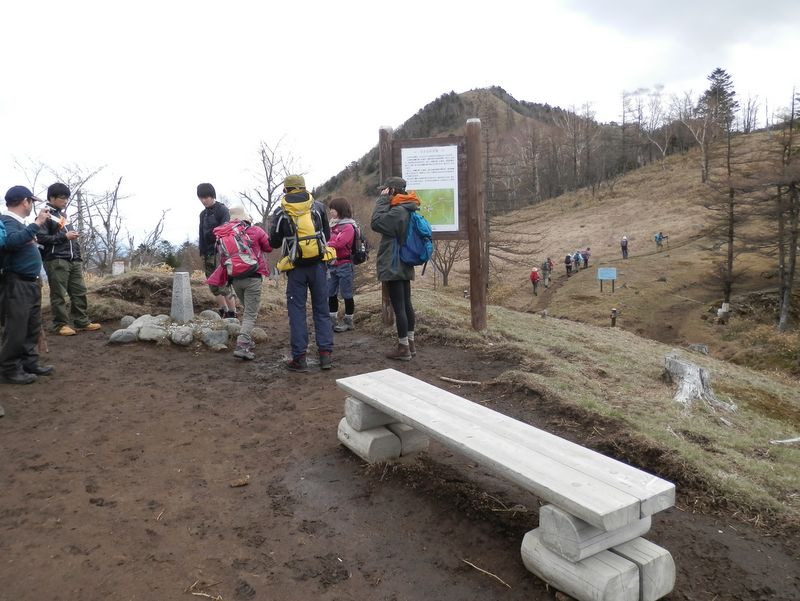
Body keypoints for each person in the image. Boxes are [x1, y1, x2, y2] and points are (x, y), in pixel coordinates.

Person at [269, 175, 333, 371]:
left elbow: (274, 242)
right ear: (304, 188)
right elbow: (327, 236)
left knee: (297, 311)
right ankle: (325, 356)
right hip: (319, 266)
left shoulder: (281, 211)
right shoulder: (319, 207)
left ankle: (300, 358)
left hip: (295, 267)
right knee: (321, 309)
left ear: (286, 190)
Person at [0, 186, 54, 385]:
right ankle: (9, 369)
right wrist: (37, 223)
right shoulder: (7, 221)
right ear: (25, 201)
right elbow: (11, 242)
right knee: (16, 328)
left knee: (31, 326)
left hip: (30, 283)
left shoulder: (20, 223)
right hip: (17, 283)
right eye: (31, 201)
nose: (32, 205)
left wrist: (33, 226)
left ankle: (29, 363)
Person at [36, 183, 101, 336]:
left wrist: (77, 254)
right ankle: (60, 325)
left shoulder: (64, 216)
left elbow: (68, 238)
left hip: (73, 260)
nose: (65, 201)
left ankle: (81, 321)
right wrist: (64, 236)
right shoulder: (45, 214)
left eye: (67, 198)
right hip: (56, 259)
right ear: (52, 198)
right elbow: (41, 237)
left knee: (79, 291)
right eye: (62, 198)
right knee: (58, 293)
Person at [208, 206, 271, 361]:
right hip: (253, 277)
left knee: (247, 310)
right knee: (250, 314)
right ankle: (242, 345)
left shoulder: (224, 234)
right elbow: (269, 247)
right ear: (245, 218)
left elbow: (223, 258)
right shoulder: (255, 231)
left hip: (235, 279)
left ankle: (247, 340)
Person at [371, 176, 419, 361]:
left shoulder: (398, 211)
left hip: (394, 262)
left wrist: (383, 200)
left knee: (400, 305)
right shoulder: (407, 207)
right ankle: (410, 343)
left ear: (391, 191)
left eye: (386, 191)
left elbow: (376, 222)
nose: (383, 193)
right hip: (402, 261)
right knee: (405, 304)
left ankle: (403, 347)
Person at [197, 183, 237, 318]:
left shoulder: (222, 210)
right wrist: (202, 251)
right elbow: (201, 234)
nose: (203, 200)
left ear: (212, 195)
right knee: (213, 284)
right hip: (207, 252)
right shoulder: (202, 214)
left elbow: (225, 231)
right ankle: (223, 310)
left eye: (206, 197)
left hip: (221, 252)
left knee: (223, 284)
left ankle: (233, 313)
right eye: (201, 198)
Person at [327, 197, 357, 333]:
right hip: (332, 264)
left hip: (345, 264)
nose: (331, 212)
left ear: (340, 210)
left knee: (346, 293)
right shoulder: (332, 225)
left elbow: (339, 243)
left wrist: (325, 245)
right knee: (330, 292)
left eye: (333, 209)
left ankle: (348, 321)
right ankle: (331, 320)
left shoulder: (349, 226)